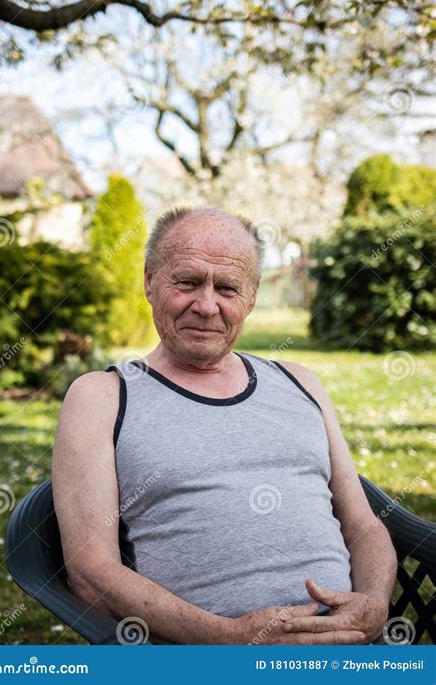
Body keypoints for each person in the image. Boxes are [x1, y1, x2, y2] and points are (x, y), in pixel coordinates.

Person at [52, 206, 397, 645]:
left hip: (350, 652)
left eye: (228, 287)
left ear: (251, 297)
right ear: (149, 282)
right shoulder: (101, 397)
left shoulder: (299, 382)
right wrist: (227, 637)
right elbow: (89, 570)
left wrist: (374, 604)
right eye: (188, 282)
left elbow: (364, 525)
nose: (206, 305)